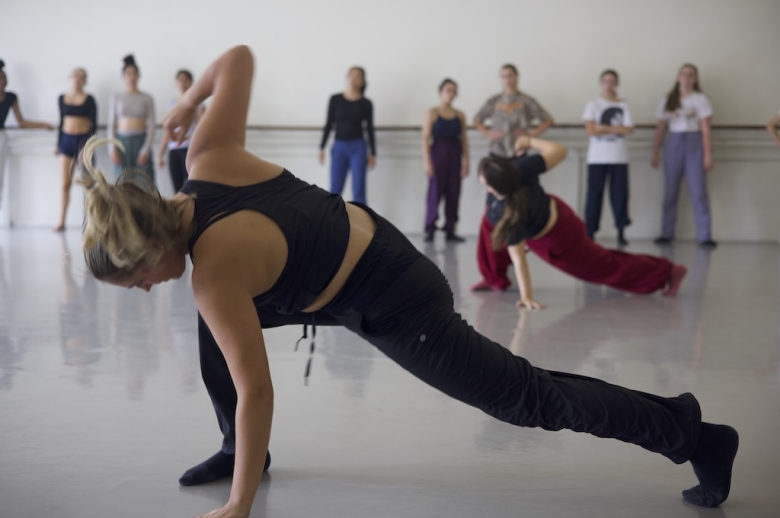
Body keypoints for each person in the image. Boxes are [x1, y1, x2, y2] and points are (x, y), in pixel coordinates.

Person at [78, 46, 737, 518]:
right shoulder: (207, 156)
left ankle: (695, 437)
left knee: (525, 398)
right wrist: (191, 102)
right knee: (213, 329)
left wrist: (240, 506)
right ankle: (237, 452)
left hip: (392, 299)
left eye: (137, 278)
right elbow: (241, 58)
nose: (142, 290)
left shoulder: (215, 273)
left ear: (154, 242)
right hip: (362, 244)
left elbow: (257, 391)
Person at [477, 136, 688, 310]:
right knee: (487, 223)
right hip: (557, 212)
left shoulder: (506, 214)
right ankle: (494, 277)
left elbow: (520, 261)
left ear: (495, 188)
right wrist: (529, 141)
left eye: (485, 183)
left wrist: (526, 297)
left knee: (606, 266)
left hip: (560, 240)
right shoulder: (520, 168)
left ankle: (667, 272)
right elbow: (559, 149)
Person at [472, 64, 553, 291]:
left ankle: (516, 259)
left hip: (518, 160)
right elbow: (477, 119)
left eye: (511, 75)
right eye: (504, 76)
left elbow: (548, 119)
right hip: (497, 158)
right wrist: (488, 133)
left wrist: (531, 135)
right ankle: (492, 275)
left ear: (516, 77)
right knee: (492, 216)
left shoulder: (527, 100)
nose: (508, 79)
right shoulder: (494, 100)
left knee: (516, 214)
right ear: (501, 79)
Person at [652, 64, 716, 248]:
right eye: (684, 74)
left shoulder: (701, 99)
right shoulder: (667, 99)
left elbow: (705, 129)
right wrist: (655, 151)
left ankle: (705, 235)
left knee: (698, 191)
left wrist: (708, 155)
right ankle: (666, 232)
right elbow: (660, 128)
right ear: (678, 77)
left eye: (691, 75)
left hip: (694, 142)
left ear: (695, 79)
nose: (687, 77)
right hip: (673, 142)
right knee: (670, 190)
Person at [582, 69, 634, 247]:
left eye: (612, 81)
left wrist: (602, 127)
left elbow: (628, 129)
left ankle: (621, 230)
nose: (609, 84)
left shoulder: (624, 105)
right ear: (601, 83)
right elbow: (590, 131)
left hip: (619, 157)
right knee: (594, 195)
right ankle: (590, 231)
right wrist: (615, 128)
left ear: (617, 84)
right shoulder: (593, 104)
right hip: (597, 157)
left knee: (620, 195)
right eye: (605, 81)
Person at [0, 59, 54, 210]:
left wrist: (42, 125)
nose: (2, 81)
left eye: (4, 78)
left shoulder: (11, 97)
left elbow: (21, 121)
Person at [421, 78, 469, 243]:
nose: (451, 94)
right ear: (441, 92)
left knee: (454, 192)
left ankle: (450, 229)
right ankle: (430, 228)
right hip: (438, 153)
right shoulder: (432, 113)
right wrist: (427, 161)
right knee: (435, 192)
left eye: (454, 91)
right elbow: (425, 138)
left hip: (455, 154)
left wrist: (466, 162)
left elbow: (464, 139)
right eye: (448, 90)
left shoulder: (460, 115)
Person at [318, 67, 375, 204]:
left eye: (358, 76)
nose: (354, 79)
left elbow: (369, 129)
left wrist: (373, 153)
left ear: (362, 81)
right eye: (352, 75)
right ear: (347, 77)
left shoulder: (366, 103)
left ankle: (362, 223)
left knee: (359, 189)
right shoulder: (335, 99)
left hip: (358, 147)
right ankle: (331, 222)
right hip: (339, 146)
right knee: (335, 188)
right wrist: (322, 147)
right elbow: (329, 124)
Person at [54, 68, 97, 231]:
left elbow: (93, 125)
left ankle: (90, 221)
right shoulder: (61, 98)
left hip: (84, 141)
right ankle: (61, 221)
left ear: (85, 80)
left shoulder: (89, 99)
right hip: (66, 141)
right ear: (70, 77)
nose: (78, 78)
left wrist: (86, 148)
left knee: (87, 184)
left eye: (82, 76)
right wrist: (58, 144)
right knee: (65, 183)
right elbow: (61, 122)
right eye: (76, 75)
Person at [107, 55, 156, 181]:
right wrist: (112, 148)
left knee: (145, 181)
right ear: (123, 76)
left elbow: (151, 125)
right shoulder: (116, 97)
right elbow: (111, 124)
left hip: (141, 140)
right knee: (122, 182)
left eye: (135, 73)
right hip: (122, 142)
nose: (132, 76)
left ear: (138, 76)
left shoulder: (147, 98)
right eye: (128, 73)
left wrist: (146, 149)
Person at [157, 69, 206, 193]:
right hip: (174, 150)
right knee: (177, 188)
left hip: (189, 148)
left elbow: (203, 125)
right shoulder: (172, 104)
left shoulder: (198, 104)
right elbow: (167, 130)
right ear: (176, 83)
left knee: (192, 186)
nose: (183, 82)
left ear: (191, 83)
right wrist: (160, 154)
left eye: (186, 79)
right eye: (180, 79)